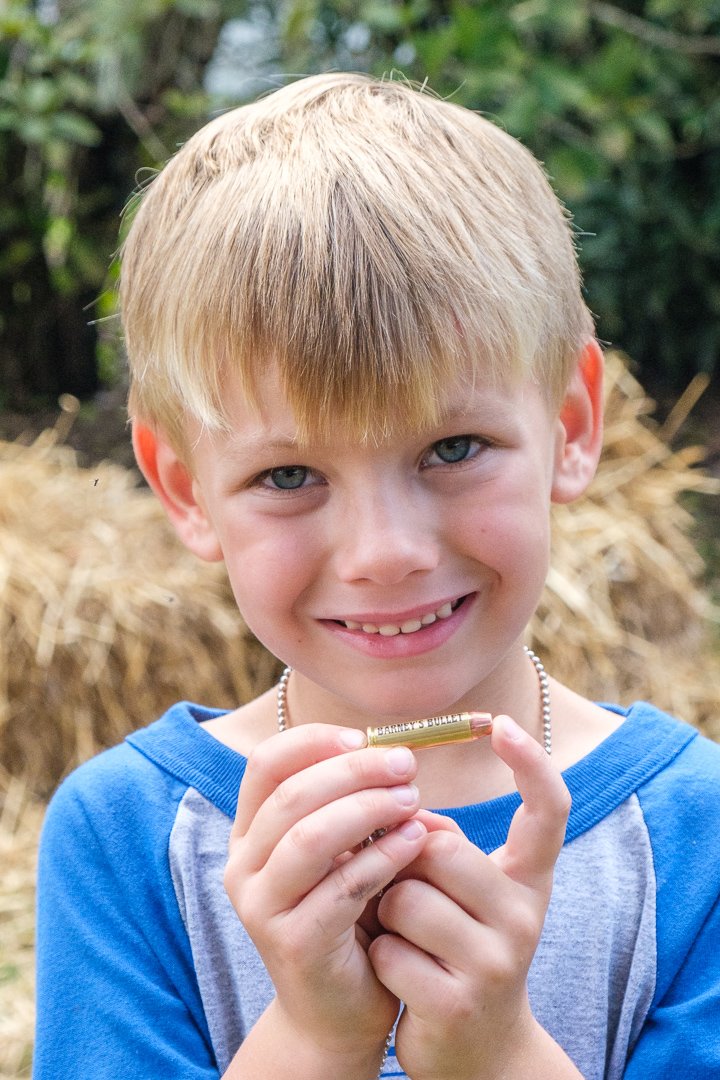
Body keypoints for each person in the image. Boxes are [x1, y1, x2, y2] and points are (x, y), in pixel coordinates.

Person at [34, 73, 720, 1080]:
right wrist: (314, 1036)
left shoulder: (695, 834)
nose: (383, 552)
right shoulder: (127, 842)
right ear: (184, 489)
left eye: (453, 448)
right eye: (289, 475)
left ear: (572, 426)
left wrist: (496, 1054)